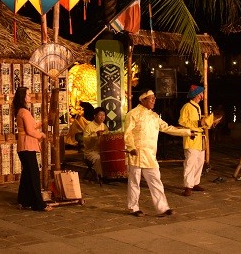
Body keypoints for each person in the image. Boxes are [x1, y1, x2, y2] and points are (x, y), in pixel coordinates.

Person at [124, 89, 194, 217]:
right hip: (136, 154)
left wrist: (187, 132)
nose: (154, 100)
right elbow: (127, 133)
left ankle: (162, 208)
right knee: (134, 181)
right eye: (151, 98)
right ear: (143, 100)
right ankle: (133, 208)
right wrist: (130, 147)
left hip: (150, 155)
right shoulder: (132, 114)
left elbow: (167, 128)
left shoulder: (154, 116)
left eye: (154, 98)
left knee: (156, 181)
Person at [14, 86, 52, 212]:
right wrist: (41, 134)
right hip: (27, 146)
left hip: (25, 146)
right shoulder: (24, 112)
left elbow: (32, 125)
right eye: (28, 95)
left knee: (27, 175)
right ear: (23, 97)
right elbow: (30, 130)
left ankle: (23, 200)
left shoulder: (22, 111)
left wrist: (43, 122)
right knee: (34, 176)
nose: (30, 96)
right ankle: (38, 204)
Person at [179, 85, 214, 197]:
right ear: (198, 95)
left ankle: (195, 183)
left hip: (200, 138)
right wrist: (198, 124)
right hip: (192, 138)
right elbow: (182, 122)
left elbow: (200, 123)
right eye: (201, 93)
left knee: (199, 162)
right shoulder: (187, 107)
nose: (202, 95)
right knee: (190, 163)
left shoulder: (197, 107)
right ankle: (188, 186)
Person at [83, 106, 109, 180]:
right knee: (99, 158)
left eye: (103, 115)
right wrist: (95, 135)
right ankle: (101, 176)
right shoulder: (89, 126)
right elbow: (86, 141)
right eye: (100, 115)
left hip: (101, 150)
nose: (102, 117)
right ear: (95, 116)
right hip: (91, 151)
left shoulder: (104, 126)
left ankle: (111, 174)